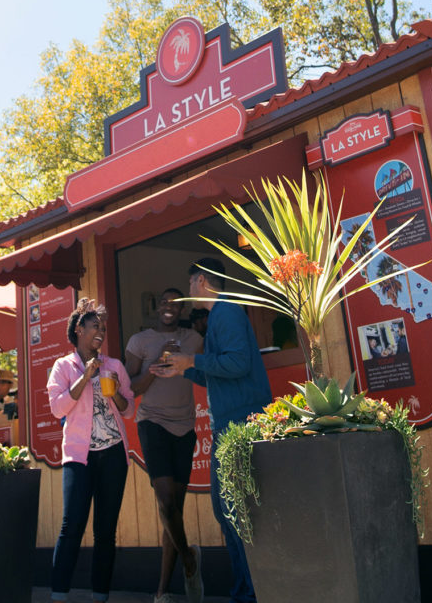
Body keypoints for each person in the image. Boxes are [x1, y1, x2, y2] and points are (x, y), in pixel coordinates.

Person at [152, 258, 272, 603]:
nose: (189, 292)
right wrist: (181, 369)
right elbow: (216, 372)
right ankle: (245, 591)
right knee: (228, 510)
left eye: (190, 285)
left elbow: (238, 363)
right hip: (230, 424)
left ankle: (248, 593)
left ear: (201, 281)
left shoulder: (227, 312)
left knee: (235, 511)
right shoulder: (221, 316)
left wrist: (192, 361)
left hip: (240, 423)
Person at [46, 297, 135, 603]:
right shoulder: (63, 366)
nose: (101, 332)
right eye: (95, 326)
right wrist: (86, 375)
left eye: (104, 328)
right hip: (79, 459)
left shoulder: (115, 366)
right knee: (72, 526)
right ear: (79, 329)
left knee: (105, 531)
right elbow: (58, 407)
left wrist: (114, 393)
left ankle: (101, 596)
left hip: (113, 456)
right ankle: (58, 594)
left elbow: (128, 410)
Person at [124, 287, 205, 603]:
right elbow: (131, 388)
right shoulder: (139, 341)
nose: (169, 307)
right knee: (166, 502)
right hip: (152, 424)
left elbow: (205, 368)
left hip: (185, 427)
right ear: (157, 308)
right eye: (164, 302)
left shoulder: (194, 339)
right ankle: (188, 559)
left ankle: (163, 592)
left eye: (175, 303)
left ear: (183, 309)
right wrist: (157, 363)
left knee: (175, 511)